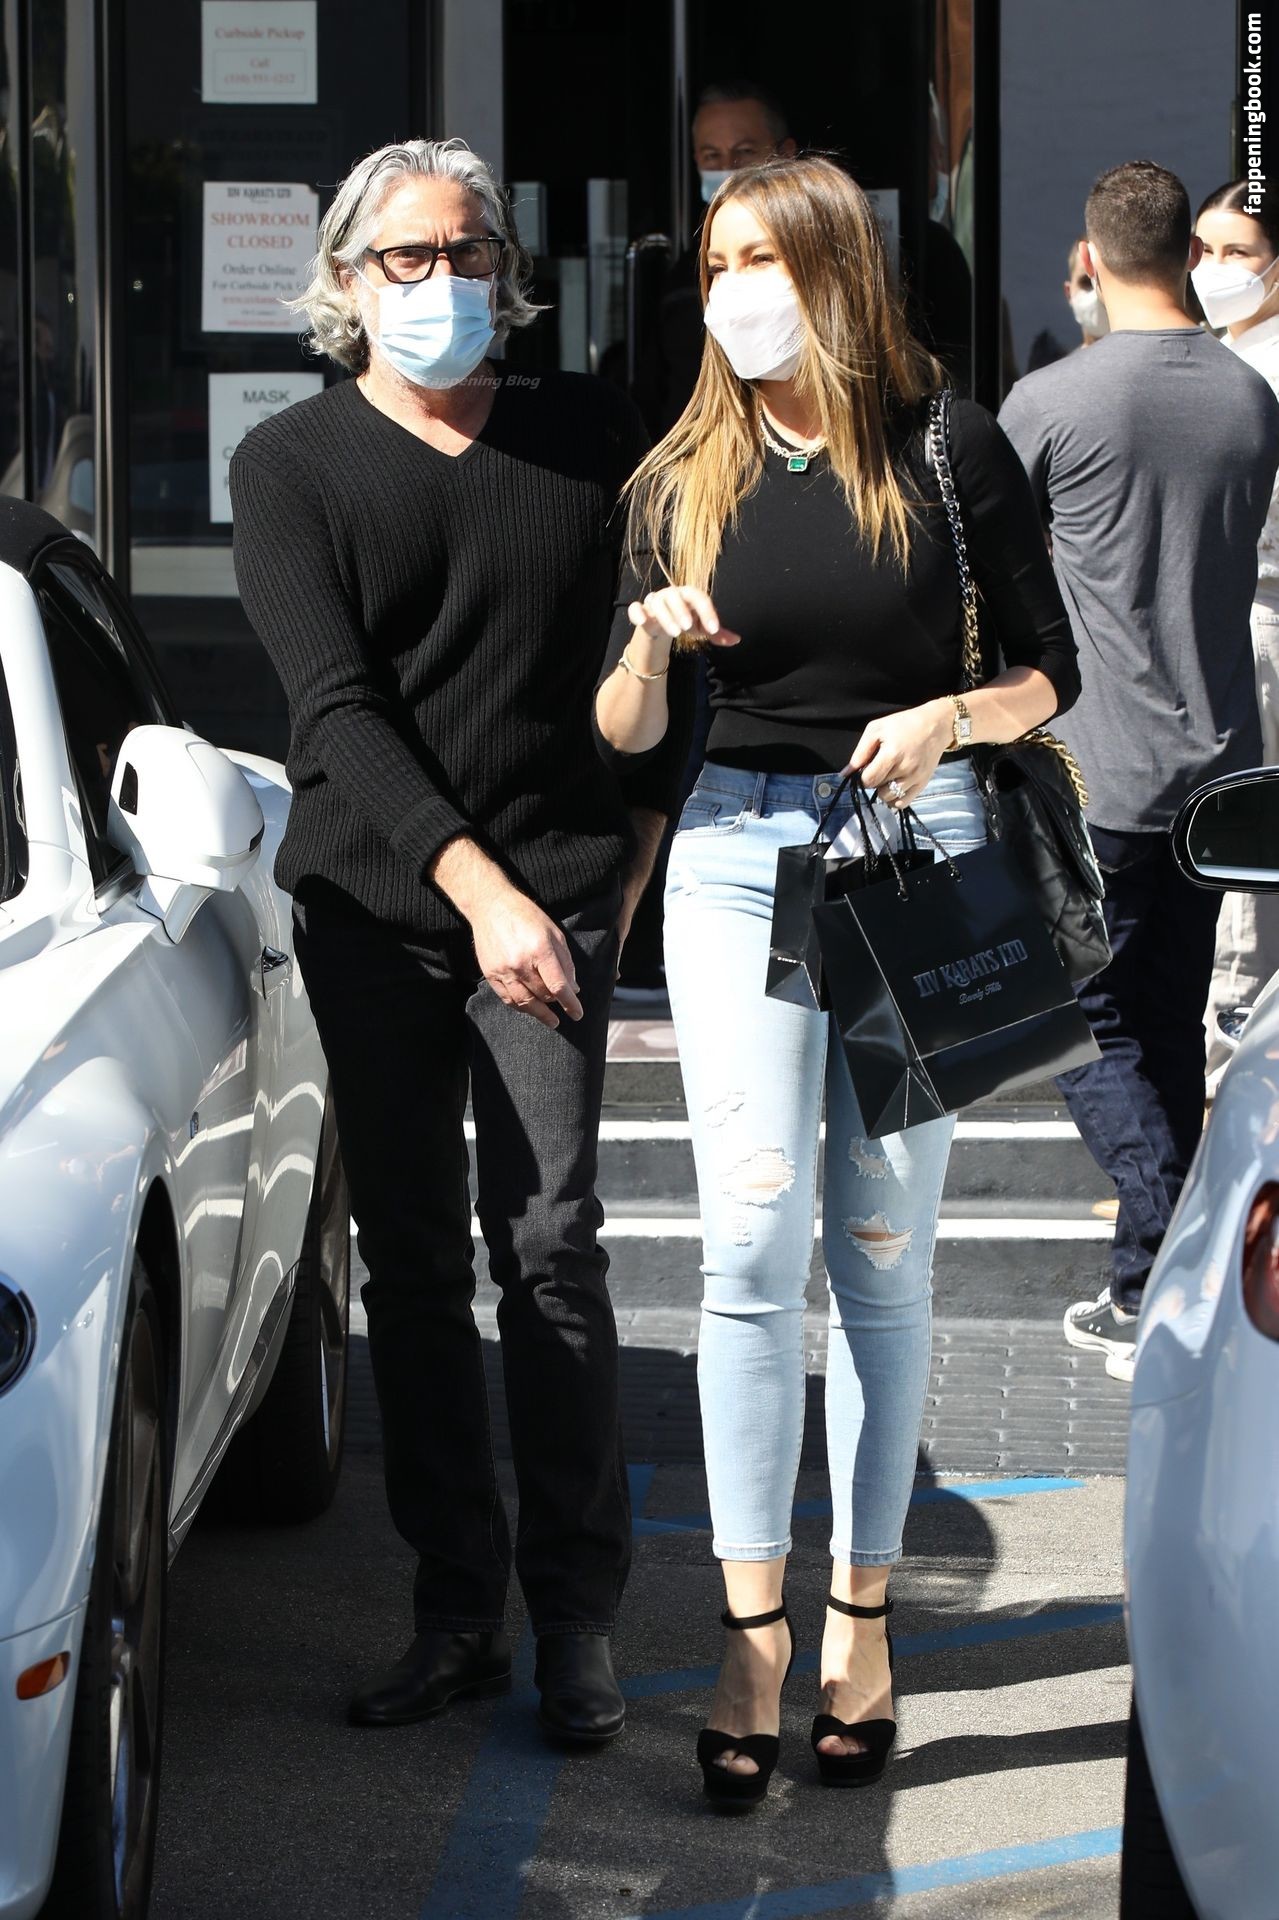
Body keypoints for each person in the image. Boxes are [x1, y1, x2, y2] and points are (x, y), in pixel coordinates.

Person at [595, 154, 1078, 1807]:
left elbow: (1050, 674)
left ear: (833, 274)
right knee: (744, 1247)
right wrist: (648, 646)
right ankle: (750, 1632)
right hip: (732, 853)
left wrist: (949, 715)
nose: (735, 291)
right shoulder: (679, 469)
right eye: (715, 264)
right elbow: (621, 734)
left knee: (878, 1256)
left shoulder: (946, 445)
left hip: (911, 848)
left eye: (763, 260)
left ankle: (860, 1620)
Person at [229, 137, 666, 1746]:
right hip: (380, 913)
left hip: (555, 900)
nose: (438, 282)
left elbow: (654, 664)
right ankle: (455, 1610)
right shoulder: (288, 467)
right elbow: (335, 712)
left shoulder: (587, 437)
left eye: (466, 252)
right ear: (345, 281)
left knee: (549, 1249)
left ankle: (576, 1617)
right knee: (410, 1265)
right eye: (403, 257)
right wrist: (478, 892)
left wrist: (626, 867)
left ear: (508, 269)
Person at [998, 161, 1279, 1382]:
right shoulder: (1248, 398)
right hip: (1218, 770)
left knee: (1073, 1015)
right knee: (1162, 1018)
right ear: (1182, 254)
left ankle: (1163, 1243)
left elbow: (986, 564)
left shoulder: (1050, 400)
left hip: (1095, 767)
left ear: (1094, 254)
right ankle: (1140, 1288)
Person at [1193, 180, 1279, 1094]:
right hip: (1230, 620)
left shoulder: (1262, 368)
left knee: (1246, 856)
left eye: (1237, 252)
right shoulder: (1224, 354)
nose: (1213, 269)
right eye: (1202, 251)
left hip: (1258, 621)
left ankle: (1232, 1075)